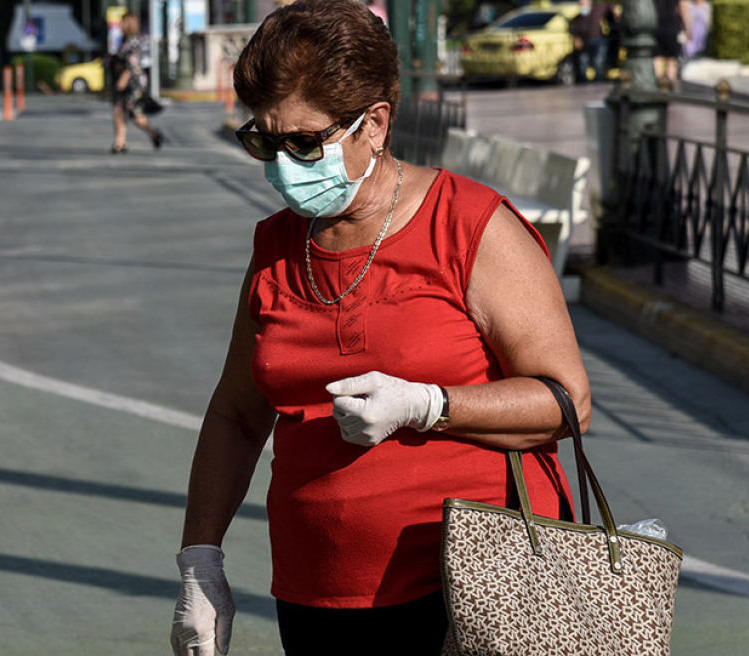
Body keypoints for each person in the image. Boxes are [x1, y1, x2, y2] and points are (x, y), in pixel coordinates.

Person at [168, 0, 591, 654]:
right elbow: (237, 414)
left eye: (304, 141)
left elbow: (567, 402)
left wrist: (428, 405)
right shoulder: (277, 245)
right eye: (264, 140)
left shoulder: (470, 227)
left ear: (376, 124)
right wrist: (201, 561)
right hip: (315, 595)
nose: (283, 163)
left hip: (474, 590)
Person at [109, 12, 162, 154]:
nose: (120, 24)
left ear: (130, 24)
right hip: (121, 79)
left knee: (134, 115)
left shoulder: (134, 41)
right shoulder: (123, 40)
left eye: (123, 22)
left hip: (133, 83)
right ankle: (120, 143)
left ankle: (153, 134)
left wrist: (123, 79)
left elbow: (133, 63)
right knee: (118, 111)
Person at [568, 0, 615, 83]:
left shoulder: (597, 10)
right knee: (583, 63)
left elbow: (609, 5)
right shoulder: (578, 17)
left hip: (598, 40)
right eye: (580, 3)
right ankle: (583, 82)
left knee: (598, 62)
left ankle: (598, 81)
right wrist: (576, 39)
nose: (582, 5)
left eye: (583, 3)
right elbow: (573, 28)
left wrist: (615, 11)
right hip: (585, 42)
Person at [653, 0, 685, 84]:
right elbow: (681, 6)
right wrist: (686, 26)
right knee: (671, 59)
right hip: (671, 26)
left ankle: (659, 86)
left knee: (657, 58)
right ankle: (670, 89)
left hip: (656, 25)